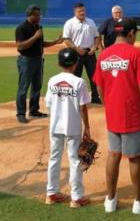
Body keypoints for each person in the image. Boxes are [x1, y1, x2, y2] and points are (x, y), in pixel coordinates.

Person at [93, 19, 140, 214]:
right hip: (131, 113)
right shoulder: (135, 53)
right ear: (130, 33)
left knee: (113, 154)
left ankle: (110, 200)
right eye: (136, 33)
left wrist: (107, 104)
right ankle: (139, 202)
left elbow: (99, 85)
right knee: (134, 157)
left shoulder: (104, 55)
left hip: (112, 113)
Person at [45, 48, 91, 208]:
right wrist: (87, 128)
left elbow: (48, 104)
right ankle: (76, 198)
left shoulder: (52, 80)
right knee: (74, 160)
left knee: (54, 158)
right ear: (76, 63)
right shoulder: (79, 82)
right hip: (73, 126)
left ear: (59, 63)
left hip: (55, 125)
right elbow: (83, 107)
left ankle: (51, 194)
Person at [15, 5, 63, 123]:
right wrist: (35, 36)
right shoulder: (21, 28)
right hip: (26, 60)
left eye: (39, 14)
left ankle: (34, 110)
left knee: (37, 86)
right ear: (30, 15)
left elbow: (41, 44)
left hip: (38, 59)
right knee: (23, 87)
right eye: (37, 15)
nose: (39, 17)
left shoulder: (38, 27)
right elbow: (20, 46)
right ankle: (21, 113)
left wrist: (55, 42)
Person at [63, 2, 102, 104]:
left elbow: (96, 36)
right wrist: (76, 49)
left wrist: (95, 46)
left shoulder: (91, 22)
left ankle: (95, 97)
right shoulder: (69, 23)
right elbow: (66, 39)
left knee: (94, 76)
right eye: (79, 11)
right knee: (75, 76)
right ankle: (75, 98)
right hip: (76, 53)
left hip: (90, 53)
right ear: (75, 12)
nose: (82, 13)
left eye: (83, 10)